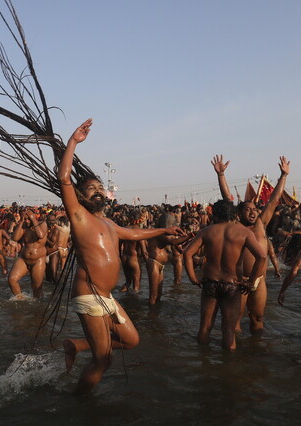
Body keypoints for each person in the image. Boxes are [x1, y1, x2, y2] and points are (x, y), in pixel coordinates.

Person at [57, 119, 183, 393]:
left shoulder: (111, 225)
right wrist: (73, 143)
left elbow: (135, 234)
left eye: (101, 188)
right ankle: (80, 405)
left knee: (132, 340)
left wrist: (165, 229)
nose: (99, 191)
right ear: (81, 196)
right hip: (89, 294)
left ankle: (76, 345)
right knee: (103, 360)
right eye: (92, 189)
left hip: (106, 297)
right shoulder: (79, 217)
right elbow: (64, 177)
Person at [212, 154, 290, 335]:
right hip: (240, 280)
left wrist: (284, 176)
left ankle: (257, 355)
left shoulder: (261, 225)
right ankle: (235, 356)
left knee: (258, 319)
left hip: (259, 281)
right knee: (235, 322)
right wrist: (221, 175)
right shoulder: (235, 226)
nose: (253, 213)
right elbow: (227, 198)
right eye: (248, 210)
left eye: (255, 210)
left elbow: (274, 200)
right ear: (238, 213)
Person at [184, 200, 267, 350]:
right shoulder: (244, 232)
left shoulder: (207, 231)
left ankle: (203, 363)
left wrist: (193, 279)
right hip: (232, 285)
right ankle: (229, 367)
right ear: (235, 214)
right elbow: (262, 257)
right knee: (229, 333)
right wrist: (251, 282)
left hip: (210, 283)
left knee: (204, 329)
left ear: (214, 214)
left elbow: (187, 254)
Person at [7, 209, 48, 298]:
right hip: (24, 258)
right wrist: (21, 222)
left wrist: (33, 220)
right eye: (25, 219)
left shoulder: (42, 224)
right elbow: (15, 238)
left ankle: (38, 306)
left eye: (28, 219)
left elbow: (40, 235)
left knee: (37, 288)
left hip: (38, 260)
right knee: (12, 280)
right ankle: (21, 299)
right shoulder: (24, 226)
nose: (27, 221)